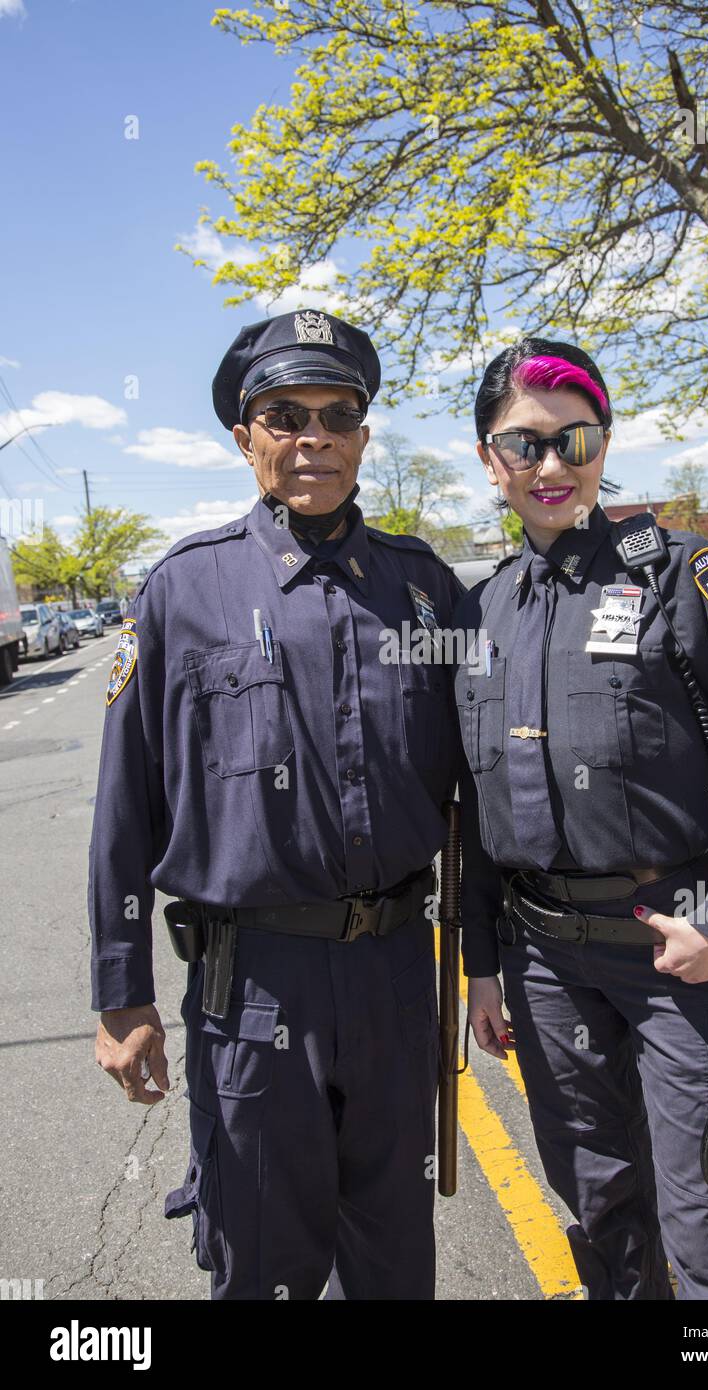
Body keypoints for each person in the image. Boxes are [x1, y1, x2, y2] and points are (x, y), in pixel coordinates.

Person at [90, 309, 463, 1300]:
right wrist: (120, 994)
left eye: (337, 416)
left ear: (363, 438)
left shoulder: (425, 592)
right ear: (243, 436)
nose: (313, 438)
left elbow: (485, 789)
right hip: (253, 987)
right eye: (284, 415)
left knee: (392, 1262)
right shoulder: (180, 590)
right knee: (263, 1262)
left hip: (393, 976)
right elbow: (124, 805)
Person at [454, 336, 708, 1300]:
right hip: (543, 967)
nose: (554, 465)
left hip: (673, 950)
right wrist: (481, 966)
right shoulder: (479, 611)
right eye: (526, 444)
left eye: (579, 440)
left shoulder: (677, 576)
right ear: (491, 460)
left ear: (604, 445)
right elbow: (474, 808)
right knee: (601, 1200)